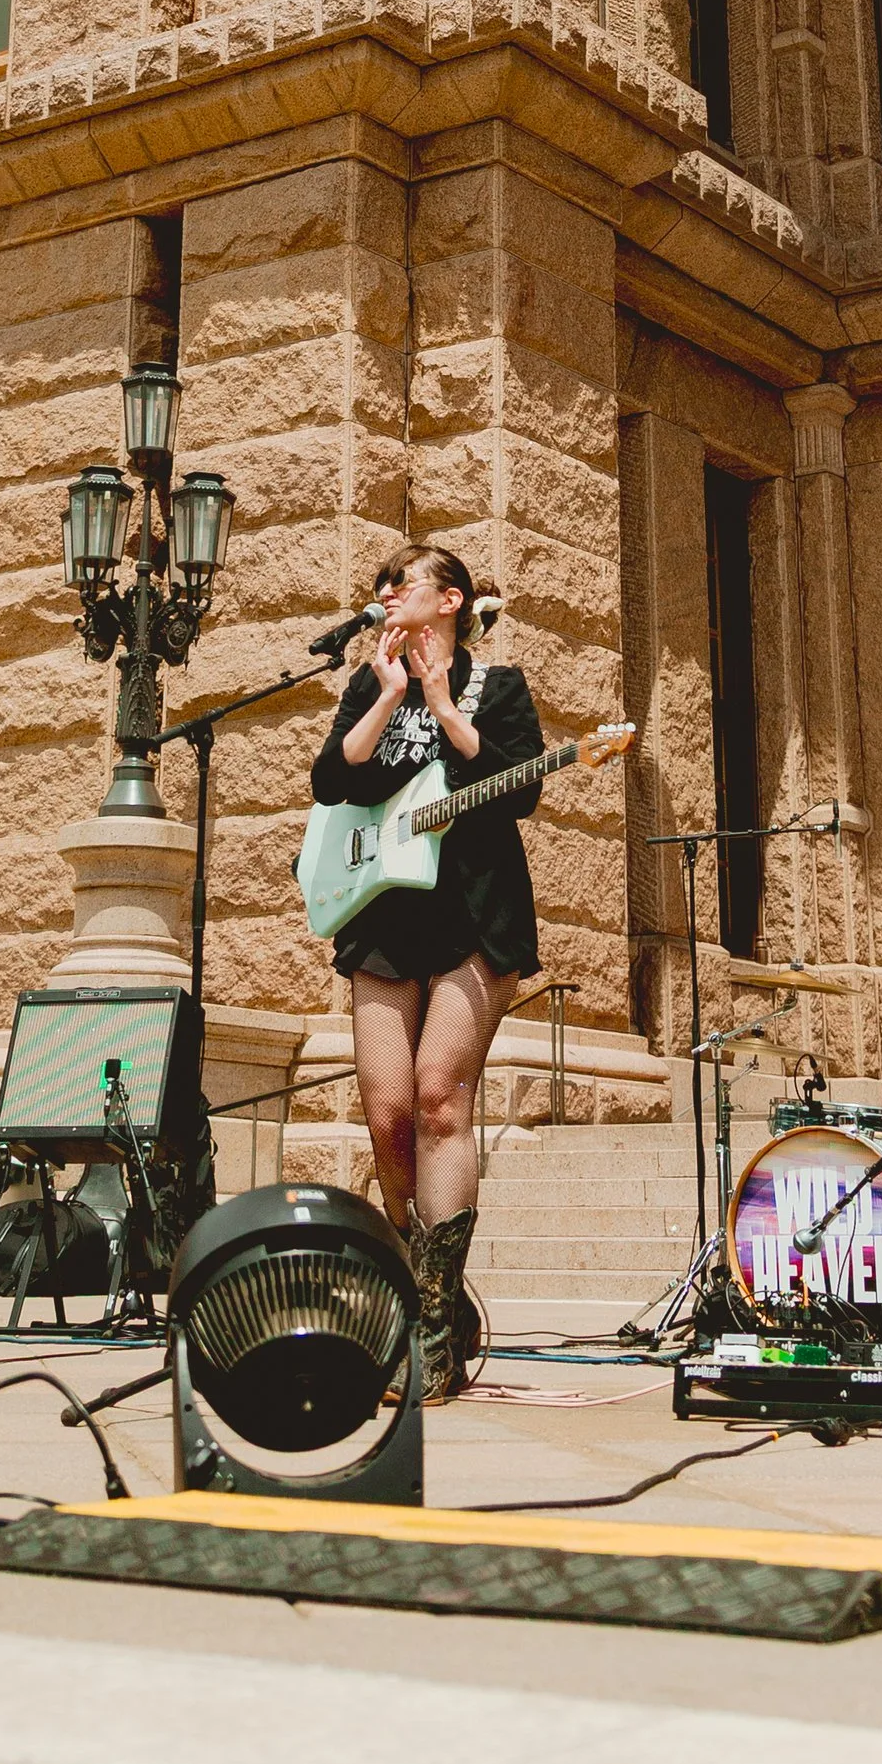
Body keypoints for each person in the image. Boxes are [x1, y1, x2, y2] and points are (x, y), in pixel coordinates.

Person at [309, 544, 542, 1401]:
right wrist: (397, 694)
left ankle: (434, 1333)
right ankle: (415, 1285)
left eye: (400, 583)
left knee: (442, 1097)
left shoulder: (499, 686)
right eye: (380, 583)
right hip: (384, 920)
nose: (386, 594)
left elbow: (518, 790)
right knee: (389, 1113)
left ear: (449, 599)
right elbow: (334, 780)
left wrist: (444, 702)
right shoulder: (373, 683)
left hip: (474, 915)